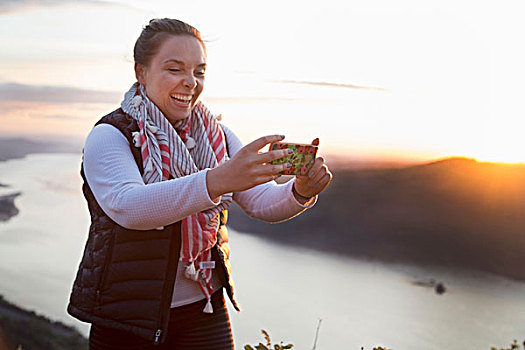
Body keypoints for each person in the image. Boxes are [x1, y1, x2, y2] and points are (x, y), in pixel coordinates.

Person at [67, 18, 332, 350]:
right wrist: (217, 180)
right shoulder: (110, 135)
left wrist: (300, 192)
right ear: (141, 72)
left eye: (199, 71)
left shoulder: (216, 135)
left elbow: (259, 202)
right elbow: (129, 207)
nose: (190, 82)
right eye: (175, 69)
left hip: (205, 307)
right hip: (128, 317)